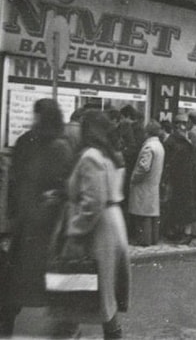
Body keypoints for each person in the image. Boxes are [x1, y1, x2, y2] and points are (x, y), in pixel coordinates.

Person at [0, 99, 75, 338]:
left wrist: (50, 199)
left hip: (46, 231)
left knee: (49, 288)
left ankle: (65, 331)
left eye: (39, 115)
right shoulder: (28, 141)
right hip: (28, 228)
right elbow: (15, 180)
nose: (35, 120)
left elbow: (64, 186)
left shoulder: (59, 146)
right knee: (13, 289)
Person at [53, 110, 130, 339]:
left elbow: (93, 201)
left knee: (76, 285)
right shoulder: (112, 155)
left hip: (96, 229)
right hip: (112, 224)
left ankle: (67, 333)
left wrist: (75, 229)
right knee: (102, 293)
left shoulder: (90, 157)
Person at [128, 120, 165, 246]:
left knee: (143, 215)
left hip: (144, 184)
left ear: (147, 132)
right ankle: (153, 239)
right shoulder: (159, 145)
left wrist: (134, 178)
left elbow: (143, 167)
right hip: (153, 184)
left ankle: (144, 240)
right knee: (151, 214)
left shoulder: (149, 147)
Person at [162, 113, 196, 244]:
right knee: (180, 206)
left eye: (184, 123)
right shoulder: (178, 140)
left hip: (185, 178)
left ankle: (185, 234)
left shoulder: (179, 140)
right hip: (181, 178)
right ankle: (181, 232)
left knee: (185, 206)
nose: (183, 126)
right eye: (180, 124)